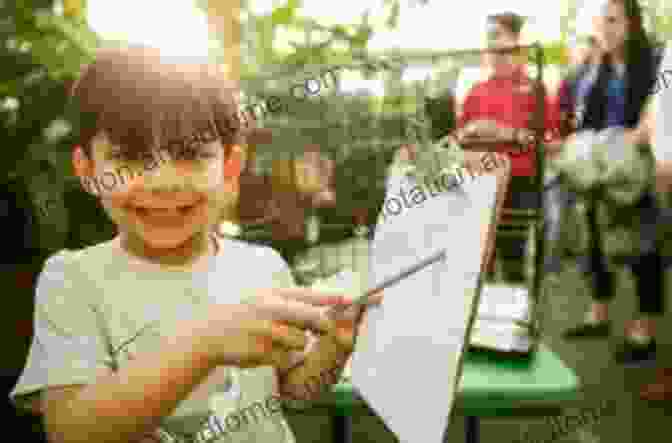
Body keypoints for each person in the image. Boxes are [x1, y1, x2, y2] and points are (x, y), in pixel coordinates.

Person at [8, 45, 375, 443]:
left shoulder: (263, 266)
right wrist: (207, 342)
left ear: (230, 166)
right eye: (130, 157)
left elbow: (292, 390)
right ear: (88, 171)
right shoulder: (73, 282)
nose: (164, 182)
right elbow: (72, 431)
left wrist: (334, 348)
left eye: (190, 156)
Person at [560, 0, 665, 365]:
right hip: (604, 164)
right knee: (592, 237)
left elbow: (663, 103)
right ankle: (599, 311)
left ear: (632, 22)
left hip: (643, 165)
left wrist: (645, 131)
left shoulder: (654, 60)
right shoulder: (596, 69)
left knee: (643, 243)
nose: (605, 28)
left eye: (613, 20)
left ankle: (645, 328)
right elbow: (586, 120)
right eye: (600, 21)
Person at [456, 11, 560, 283]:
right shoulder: (476, 91)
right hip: (478, 185)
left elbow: (549, 142)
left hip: (519, 185)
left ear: (515, 41)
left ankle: (517, 320)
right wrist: (469, 132)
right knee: (478, 268)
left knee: (513, 265)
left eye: (496, 36)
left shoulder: (534, 88)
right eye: (487, 38)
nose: (490, 45)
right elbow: (456, 142)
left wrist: (508, 133)